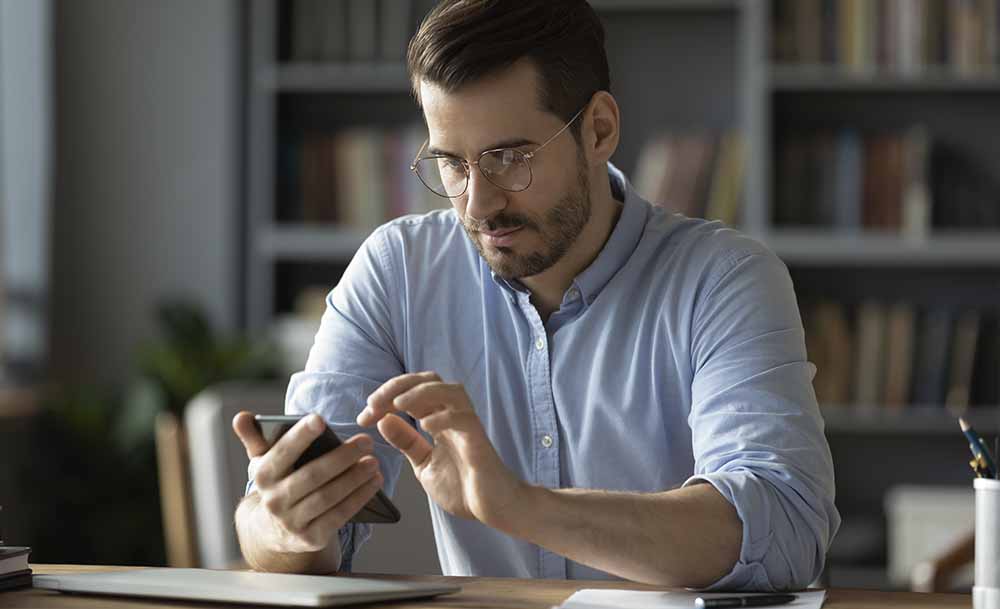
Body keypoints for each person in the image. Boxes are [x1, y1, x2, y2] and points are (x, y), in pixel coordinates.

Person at [233, 0, 840, 590]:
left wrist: (521, 508)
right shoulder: (398, 271)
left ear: (599, 130)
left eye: (508, 158)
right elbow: (266, 525)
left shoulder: (725, 278)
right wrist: (288, 525)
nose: (478, 203)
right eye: (451, 164)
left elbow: (783, 531)